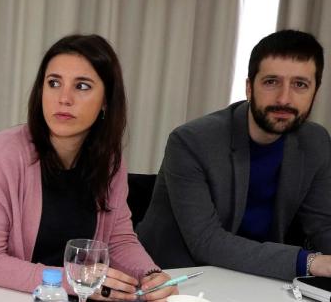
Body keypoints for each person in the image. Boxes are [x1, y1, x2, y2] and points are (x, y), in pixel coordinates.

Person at [0, 34, 174, 302]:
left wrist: (150, 275)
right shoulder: (4, 152)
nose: (64, 98)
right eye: (54, 83)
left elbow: (118, 240)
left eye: (81, 86)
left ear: (106, 101)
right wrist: (75, 280)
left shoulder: (109, 161)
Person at [138, 30, 331, 280]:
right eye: (271, 82)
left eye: (300, 85)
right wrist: (308, 262)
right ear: (249, 88)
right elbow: (206, 241)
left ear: (315, 91)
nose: (284, 98)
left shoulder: (316, 141)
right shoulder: (191, 141)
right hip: (176, 278)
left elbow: (322, 226)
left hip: (258, 277)